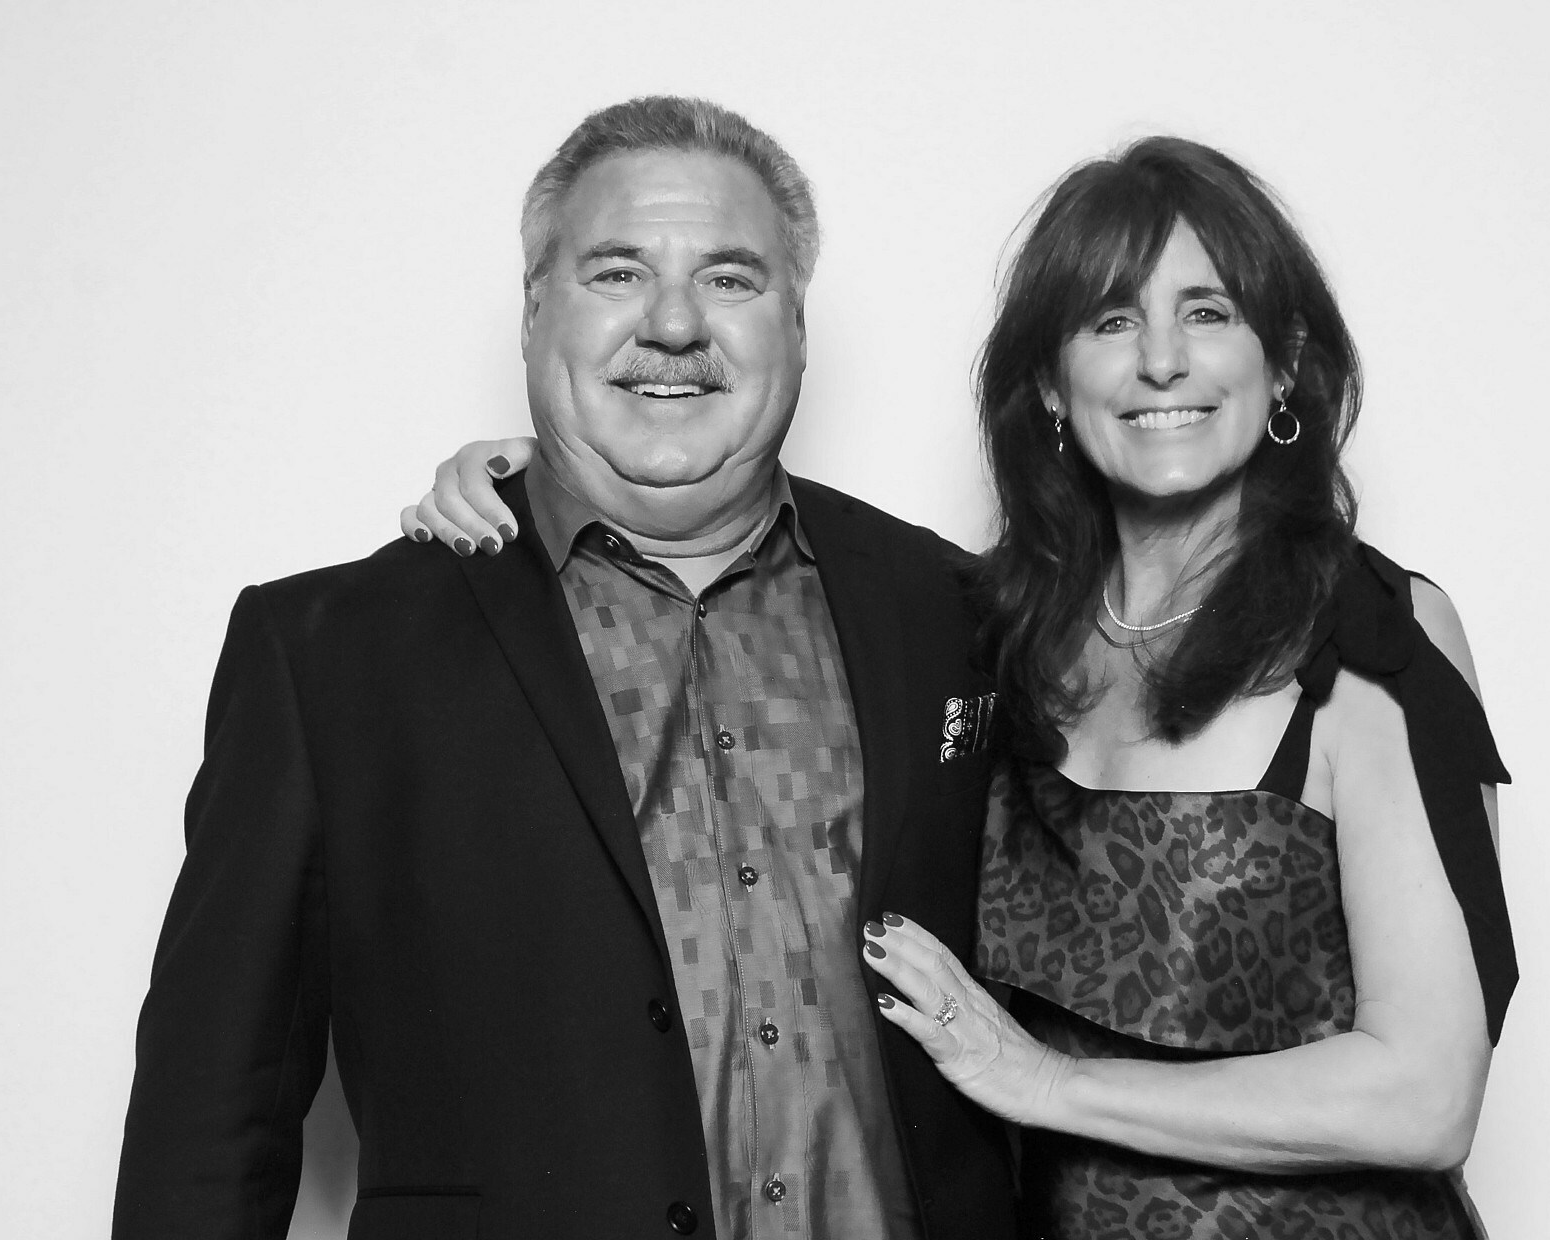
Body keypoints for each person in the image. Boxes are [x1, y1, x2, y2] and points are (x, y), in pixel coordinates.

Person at [411, 136, 1516, 1238]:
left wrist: (1045, 1081)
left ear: (1283, 365)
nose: (1162, 361)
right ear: (1049, 383)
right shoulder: (988, 632)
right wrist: (557, 467)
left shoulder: (1372, 635)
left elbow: (1426, 1098)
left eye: (1208, 312)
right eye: (1111, 321)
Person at [113, 96, 1017, 1240]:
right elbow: (208, 1126)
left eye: (730, 278)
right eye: (616, 273)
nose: (674, 323)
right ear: (535, 313)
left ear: (795, 325)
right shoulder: (332, 656)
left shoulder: (955, 613)